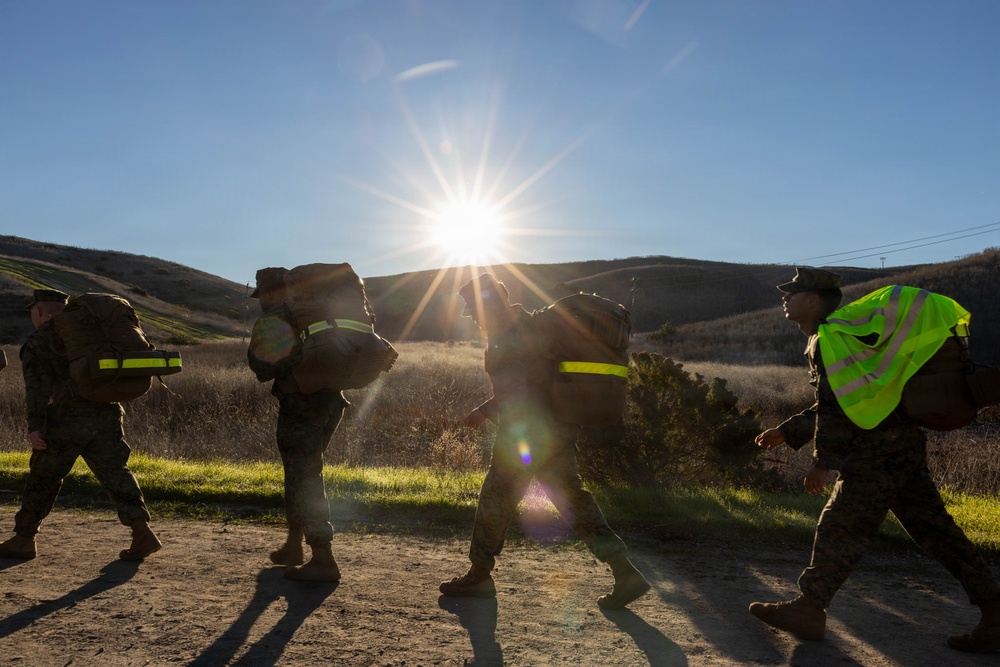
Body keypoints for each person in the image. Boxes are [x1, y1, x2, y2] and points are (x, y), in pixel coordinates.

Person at [749, 267, 1000, 652]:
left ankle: (809, 608)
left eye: (793, 292)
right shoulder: (848, 335)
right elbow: (853, 396)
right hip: (901, 446)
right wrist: (788, 431)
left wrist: (823, 460)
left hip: (874, 452)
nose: (785, 298)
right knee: (938, 533)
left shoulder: (830, 338)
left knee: (841, 527)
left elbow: (836, 407)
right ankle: (996, 612)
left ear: (813, 300)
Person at [439, 273, 650, 609]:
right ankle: (625, 571)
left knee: (496, 497)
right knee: (573, 500)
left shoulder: (511, 333)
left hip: (527, 434)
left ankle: (479, 575)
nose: (474, 316)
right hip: (555, 429)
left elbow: (521, 389)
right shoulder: (528, 325)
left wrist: (484, 410)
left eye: (475, 308)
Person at [0, 289, 161, 561]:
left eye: (32, 312)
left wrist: (35, 426)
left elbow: (36, 388)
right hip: (107, 414)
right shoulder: (93, 332)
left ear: (39, 311)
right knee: (116, 473)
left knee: (44, 478)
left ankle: (25, 539)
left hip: (66, 419)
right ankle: (141, 531)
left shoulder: (41, 339)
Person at [247, 267, 348, 582]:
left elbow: (263, 369)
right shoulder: (317, 313)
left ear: (273, 291)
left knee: (305, 478)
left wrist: (281, 359)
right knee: (301, 474)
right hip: (332, 403)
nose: (260, 300)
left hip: (301, 407)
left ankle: (323, 558)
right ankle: (293, 546)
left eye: (262, 293)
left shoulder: (273, 319)